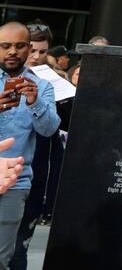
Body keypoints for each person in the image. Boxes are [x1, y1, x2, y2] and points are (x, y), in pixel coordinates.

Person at [0, 23, 57, 269]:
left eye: (19, 46)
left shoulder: (42, 86)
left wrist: (34, 102)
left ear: (29, 48)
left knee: (2, 258)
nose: (12, 51)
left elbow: (49, 129)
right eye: (5, 46)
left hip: (16, 181)